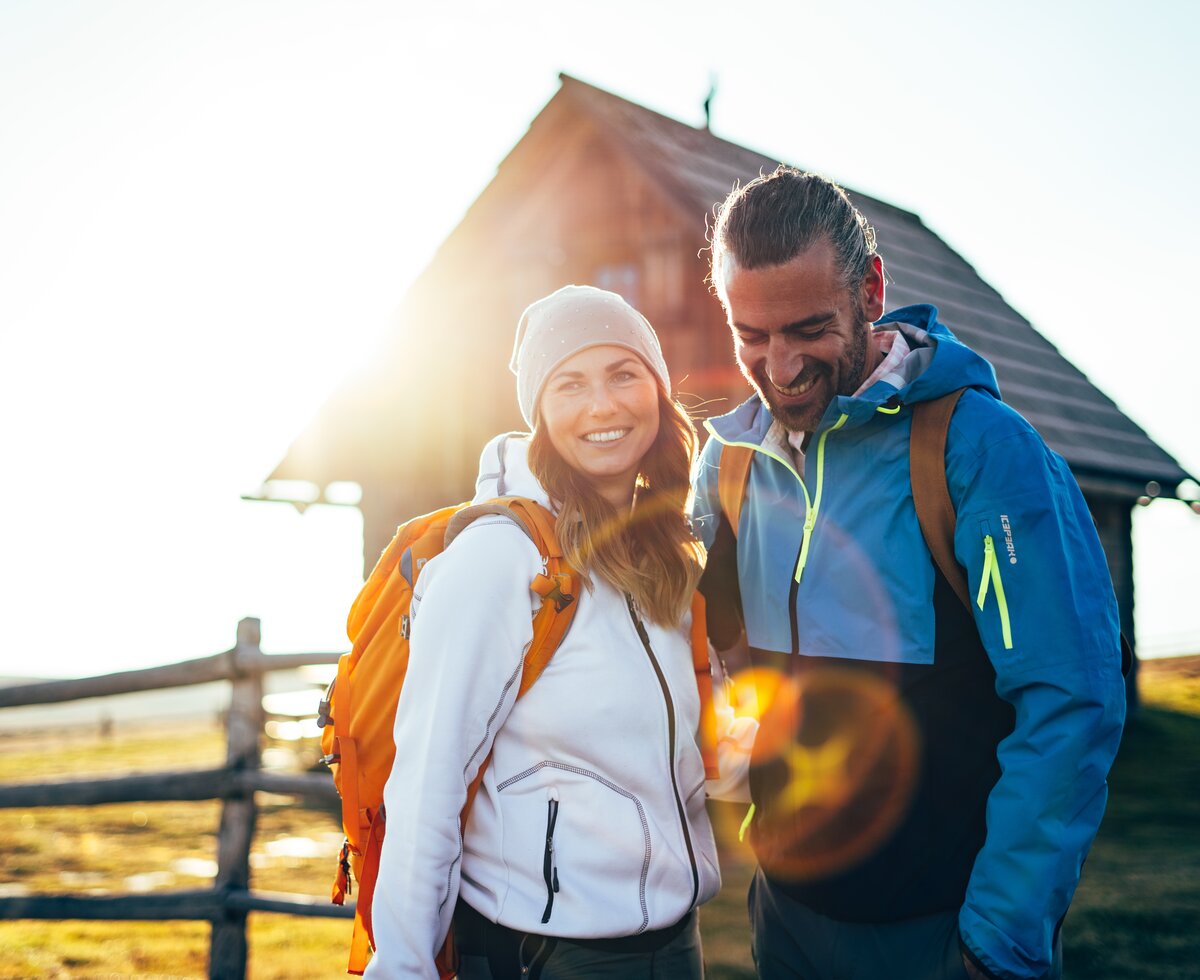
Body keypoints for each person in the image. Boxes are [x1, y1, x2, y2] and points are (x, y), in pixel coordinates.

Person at [691, 166, 1126, 980]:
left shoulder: (981, 451)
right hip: (785, 923)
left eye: (807, 329)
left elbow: (1072, 701)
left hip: (944, 935)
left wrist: (997, 941)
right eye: (752, 336)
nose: (779, 368)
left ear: (871, 289)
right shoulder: (729, 465)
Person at [365, 284, 735, 979]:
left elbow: (677, 752)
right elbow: (427, 782)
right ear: (537, 409)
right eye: (570, 383)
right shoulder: (500, 558)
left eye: (624, 374)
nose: (603, 405)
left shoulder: (664, 555)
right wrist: (405, 967)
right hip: (544, 954)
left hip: (674, 944)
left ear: (656, 388)